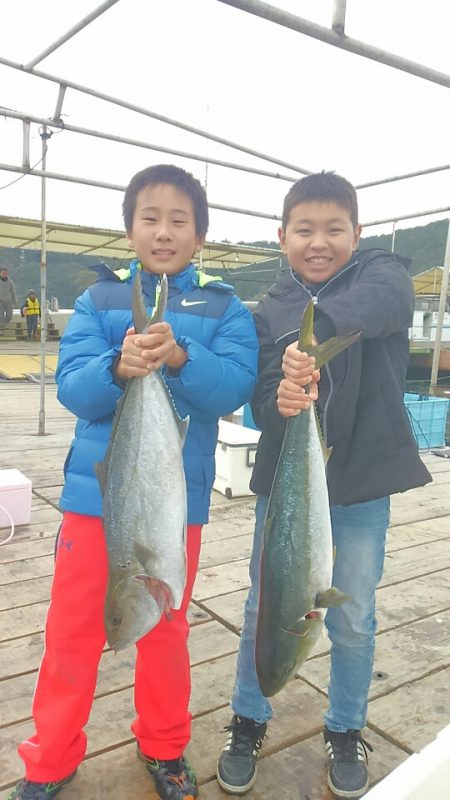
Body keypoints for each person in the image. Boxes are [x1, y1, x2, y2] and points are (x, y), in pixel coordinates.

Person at [9, 164, 258, 800]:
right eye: (150, 218)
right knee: (71, 631)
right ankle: (49, 759)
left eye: (180, 220)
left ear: (200, 235)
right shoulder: (97, 301)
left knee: (167, 632)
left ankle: (164, 746)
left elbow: (232, 389)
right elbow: (73, 388)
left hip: (174, 509)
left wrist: (181, 356)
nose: (164, 231)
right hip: (94, 503)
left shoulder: (226, 308)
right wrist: (118, 366)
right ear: (129, 231)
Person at [216, 171, 432, 799]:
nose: (319, 242)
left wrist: (312, 333)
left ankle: (344, 727)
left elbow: (389, 303)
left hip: (361, 487)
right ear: (281, 236)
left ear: (356, 235)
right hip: (288, 489)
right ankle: (248, 718)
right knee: (264, 607)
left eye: (333, 230)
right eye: (304, 230)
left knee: (353, 615)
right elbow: (261, 399)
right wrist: (281, 396)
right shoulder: (267, 310)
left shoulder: (381, 274)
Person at [0, 266, 18, 331]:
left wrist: (15, 302)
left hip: (8, 300)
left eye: (5, 273)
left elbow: (13, 292)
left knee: (9, 315)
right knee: (1, 315)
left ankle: (3, 324)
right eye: (3, 273)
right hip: (0, 300)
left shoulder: (10, 282)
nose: (4, 275)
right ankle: (1, 327)